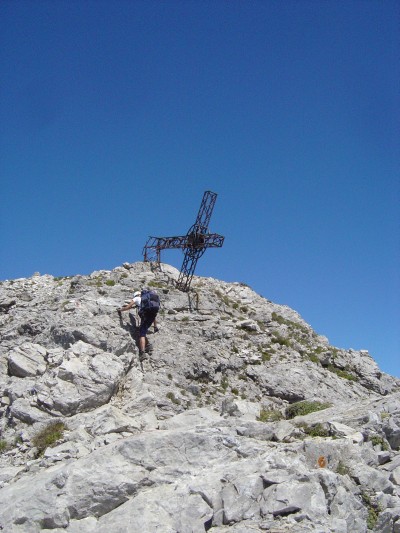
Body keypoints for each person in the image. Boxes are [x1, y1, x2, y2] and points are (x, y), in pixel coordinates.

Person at [118, 289, 159, 361]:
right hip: (152, 317)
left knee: (142, 334)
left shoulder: (136, 298)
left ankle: (142, 353)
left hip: (145, 316)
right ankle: (149, 346)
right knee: (143, 330)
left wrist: (120, 310)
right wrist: (155, 326)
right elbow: (154, 316)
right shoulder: (148, 301)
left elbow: (128, 307)